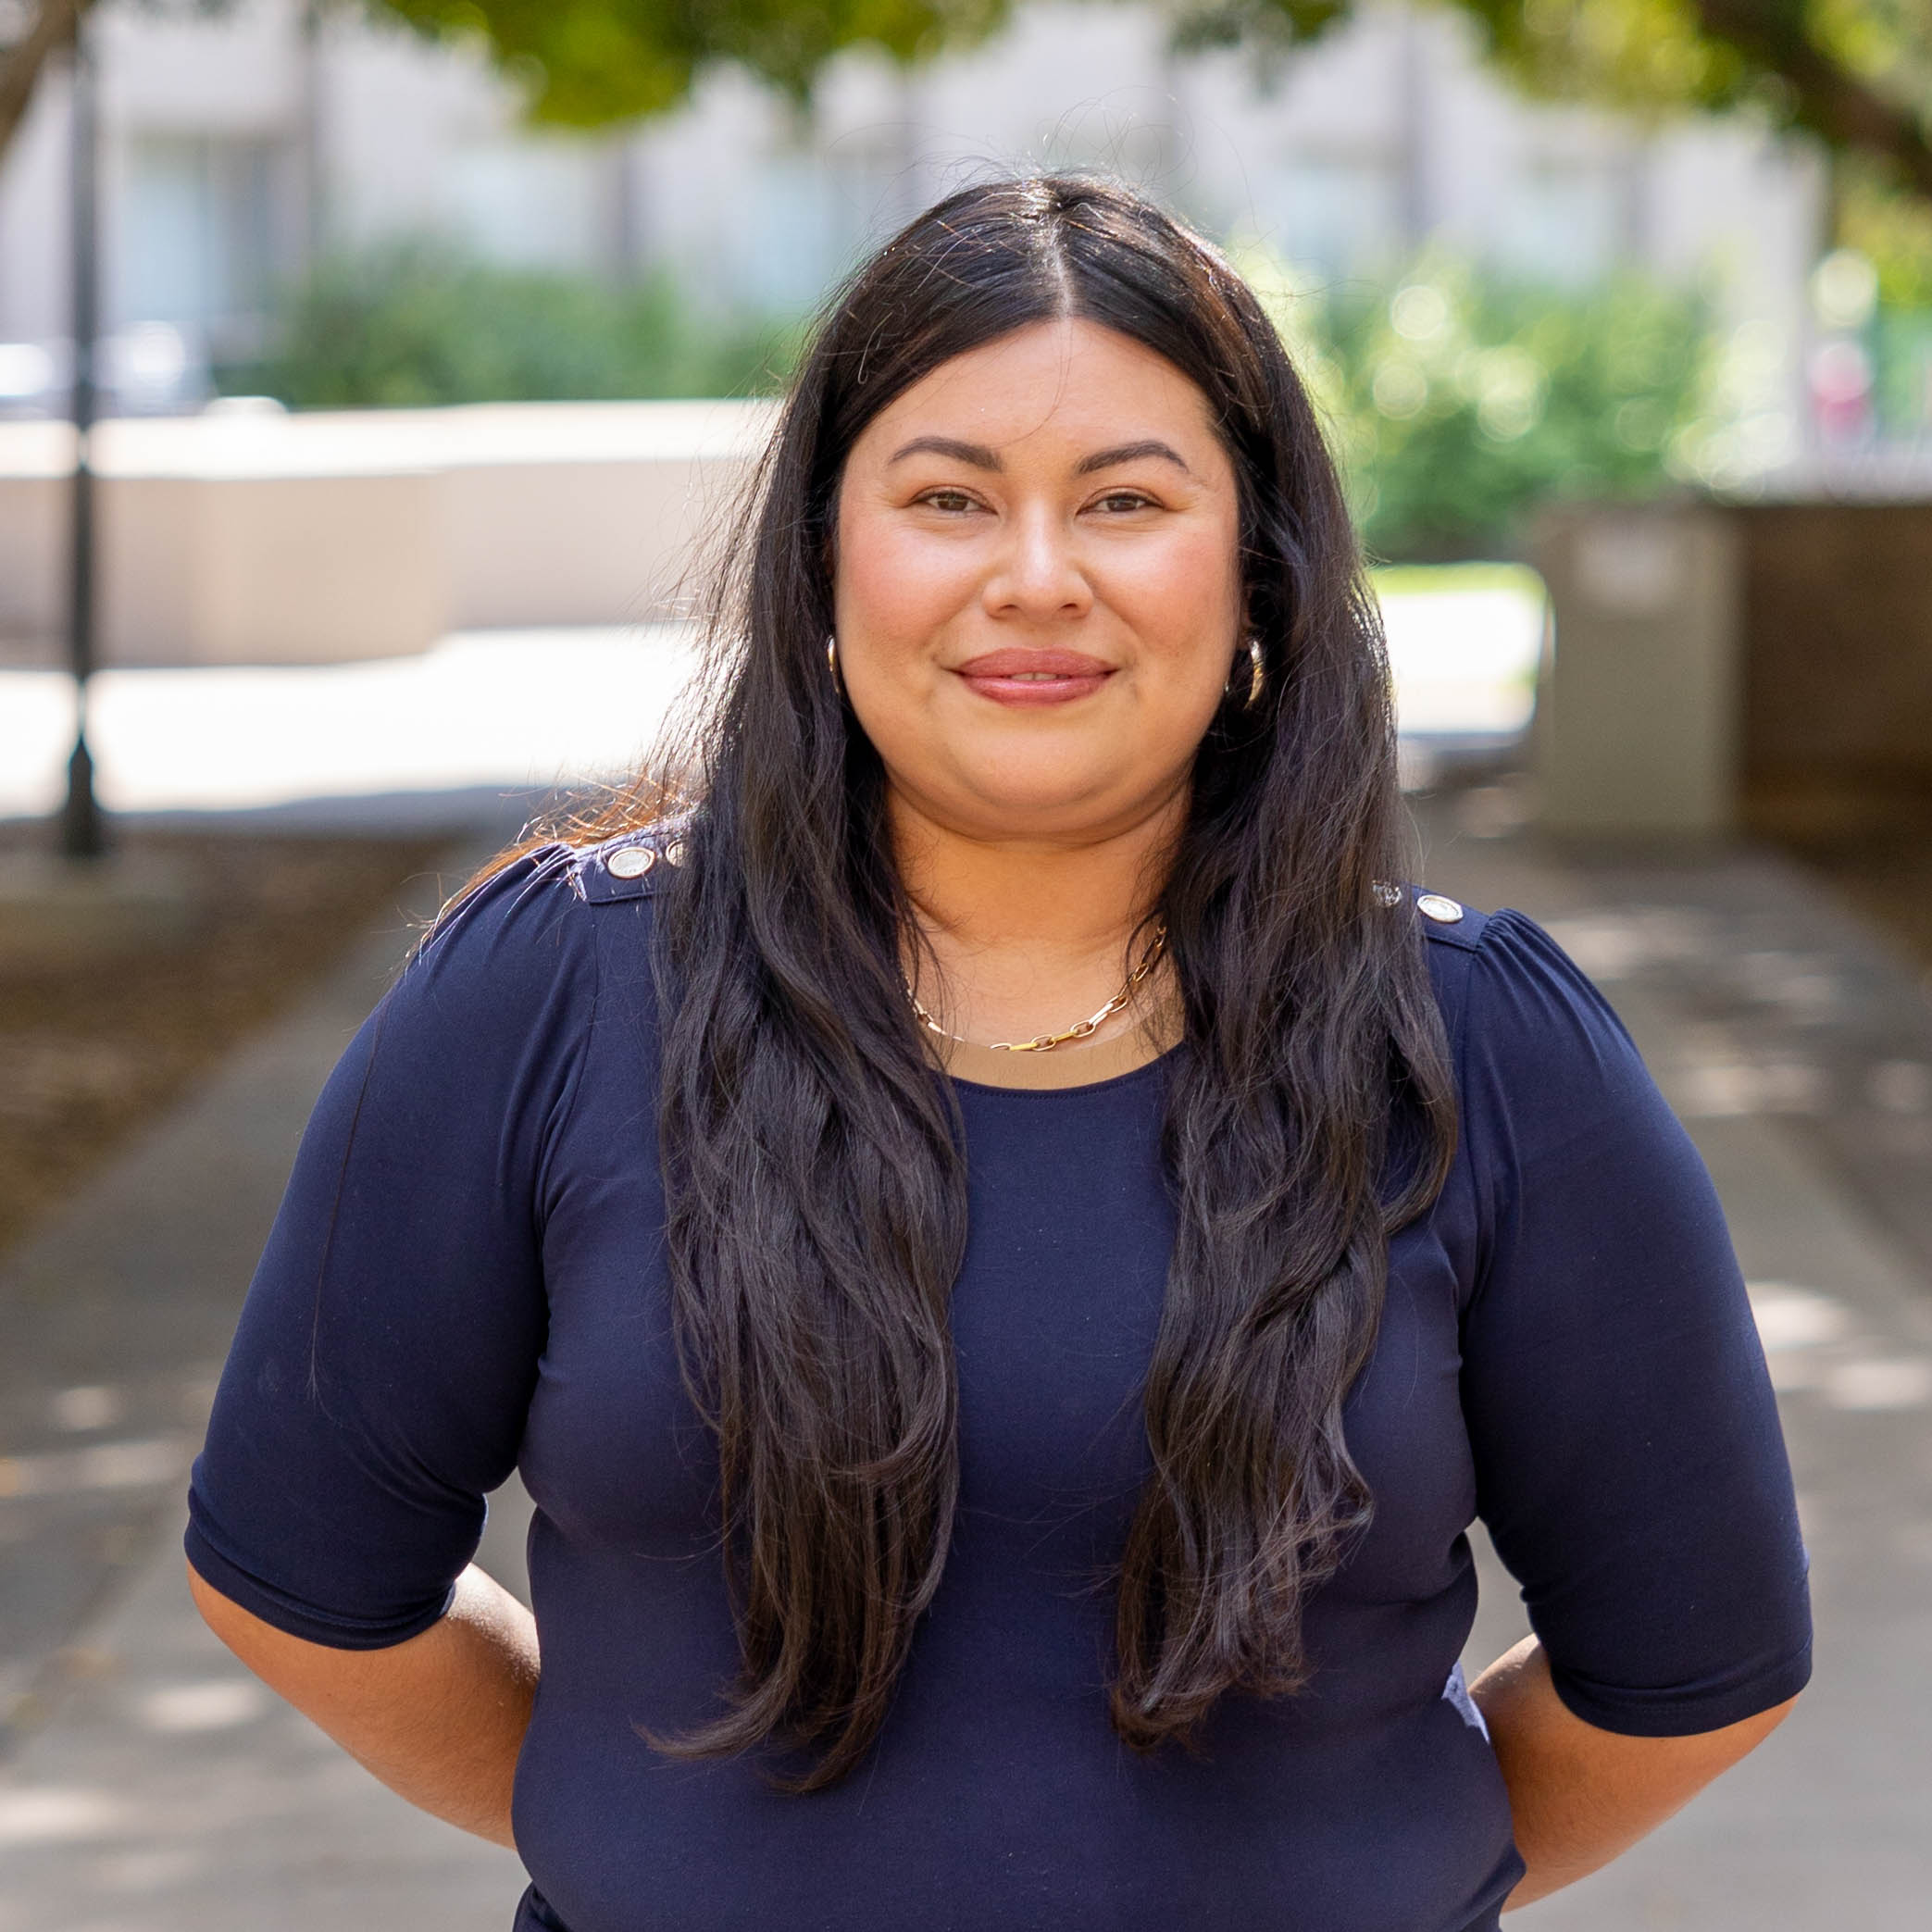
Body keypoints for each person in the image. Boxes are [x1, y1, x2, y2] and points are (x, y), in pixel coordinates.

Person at [185, 176, 1811, 1932]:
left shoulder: (1487, 1055)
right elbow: (306, 1579)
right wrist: (647, 1838)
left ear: (1258, 569)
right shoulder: (544, 999)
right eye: (949, 497)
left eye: (1126, 500)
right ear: (823, 552)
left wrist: (1368, 1871)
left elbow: (1693, 1667)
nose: (1036, 580)